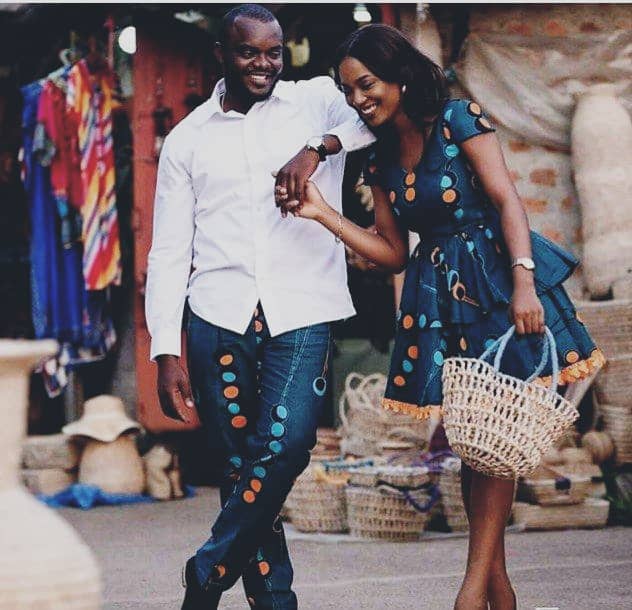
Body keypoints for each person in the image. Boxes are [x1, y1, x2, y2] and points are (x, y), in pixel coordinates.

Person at [278, 24, 604, 610]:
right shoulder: (378, 157)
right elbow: (392, 253)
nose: (358, 99)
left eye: (367, 84)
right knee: (473, 442)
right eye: (348, 91)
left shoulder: (457, 119)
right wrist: (324, 214)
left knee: (493, 437)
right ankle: (496, 590)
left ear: (400, 77)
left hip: (496, 286)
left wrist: (524, 283)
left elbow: (506, 199)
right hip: (439, 301)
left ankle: (470, 592)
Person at [144, 5, 374, 609]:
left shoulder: (316, 100)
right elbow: (169, 250)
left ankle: (207, 571)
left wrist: (316, 149)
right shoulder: (189, 138)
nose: (263, 64)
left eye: (273, 52)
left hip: (302, 311)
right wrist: (165, 348)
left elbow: (375, 117)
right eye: (249, 52)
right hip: (217, 318)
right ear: (221, 54)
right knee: (241, 468)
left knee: (287, 445)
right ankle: (275, 599)